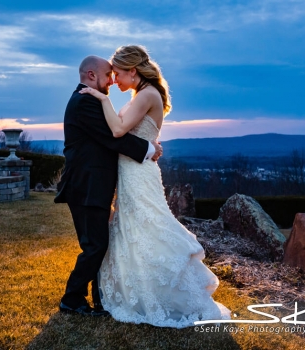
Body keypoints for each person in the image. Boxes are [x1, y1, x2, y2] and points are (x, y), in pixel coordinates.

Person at [80, 45, 230, 327]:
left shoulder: (147, 94)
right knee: (134, 230)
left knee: (149, 227)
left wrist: (102, 99)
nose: (114, 81)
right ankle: (139, 290)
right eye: (110, 76)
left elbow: (116, 130)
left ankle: (164, 292)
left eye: (118, 74)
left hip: (138, 174)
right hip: (132, 171)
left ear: (132, 71)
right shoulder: (145, 94)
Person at [54, 55, 163, 316]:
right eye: (107, 75)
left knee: (98, 244)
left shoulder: (87, 98)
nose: (112, 81)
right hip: (86, 186)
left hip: (92, 186)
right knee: (95, 246)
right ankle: (71, 298)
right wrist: (148, 148)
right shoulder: (85, 101)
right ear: (91, 75)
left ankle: (100, 297)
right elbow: (111, 138)